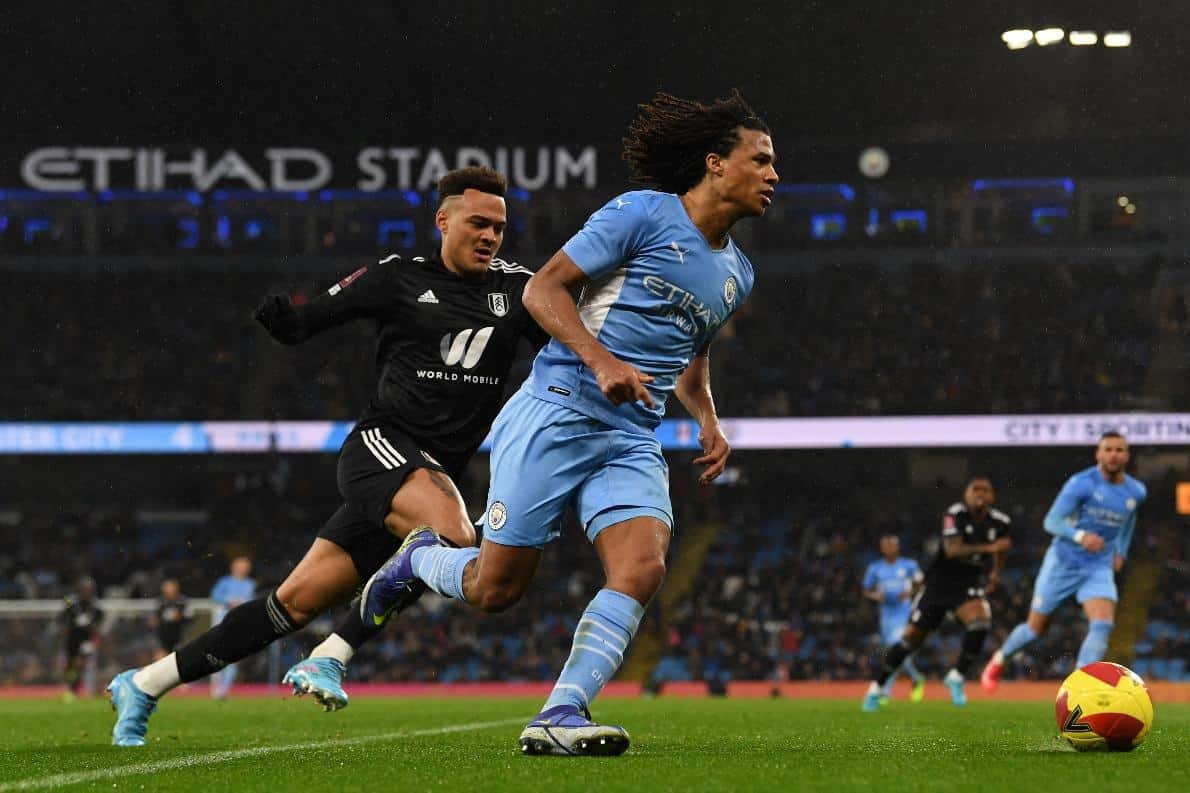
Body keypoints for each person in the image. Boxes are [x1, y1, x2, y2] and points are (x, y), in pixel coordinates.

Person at [362, 89, 777, 756]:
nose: (773, 174)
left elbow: (691, 353)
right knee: (496, 589)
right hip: (558, 409)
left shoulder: (738, 273)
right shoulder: (642, 213)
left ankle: (561, 711)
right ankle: (420, 558)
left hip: (631, 436)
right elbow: (541, 288)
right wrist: (601, 359)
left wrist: (708, 416)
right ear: (715, 163)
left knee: (642, 567)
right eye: (760, 159)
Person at [107, 166, 548, 746]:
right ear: (443, 220)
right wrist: (287, 323)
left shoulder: (521, 290)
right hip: (381, 449)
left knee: (290, 606)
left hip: (428, 475)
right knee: (453, 535)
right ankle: (332, 656)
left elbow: (568, 345)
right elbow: (310, 320)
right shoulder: (398, 276)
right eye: (477, 223)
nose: (490, 236)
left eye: (499, 227)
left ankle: (143, 683)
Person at [981, 432, 1146, 691]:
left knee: (1103, 623)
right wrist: (1080, 536)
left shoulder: (1136, 491)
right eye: (1108, 449)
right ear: (1098, 454)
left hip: (1098, 566)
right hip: (1063, 563)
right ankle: (999, 660)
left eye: (1119, 450)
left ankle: (1080, 686)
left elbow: (1129, 519)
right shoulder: (1081, 484)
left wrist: (1121, 552)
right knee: (1035, 629)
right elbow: (1051, 521)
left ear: (1127, 455)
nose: (1113, 455)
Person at [862, 476, 1010, 711]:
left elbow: (1002, 549)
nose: (980, 494)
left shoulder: (1001, 521)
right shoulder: (955, 514)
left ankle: (957, 676)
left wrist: (995, 574)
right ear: (966, 495)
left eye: (985, 490)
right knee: (910, 641)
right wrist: (989, 548)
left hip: (968, 583)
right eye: (975, 489)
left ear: (993, 496)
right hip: (939, 583)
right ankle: (876, 688)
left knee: (981, 621)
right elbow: (952, 550)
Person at [861, 535, 925, 705]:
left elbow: (921, 582)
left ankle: (885, 691)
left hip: (904, 613)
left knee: (896, 649)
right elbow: (866, 590)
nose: (890, 548)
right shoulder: (875, 568)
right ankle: (916, 678)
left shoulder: (909, 565)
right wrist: (876, 596)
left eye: (893, 545)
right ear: (882, 548)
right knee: (890, 653)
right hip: (886, 615)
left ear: (898, 547)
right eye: (887, 545)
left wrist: (910, 593)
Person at [208, 557, 256, 698]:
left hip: (241, 623)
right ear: (233, 567)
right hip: (223, 622)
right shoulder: (225, 582)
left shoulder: (250, 584)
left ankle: (224, 689)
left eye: (246, 566)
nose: (244, 568)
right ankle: (216, 686)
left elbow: (252, 601)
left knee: (234, 657)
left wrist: (243, 603)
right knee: (217, 654)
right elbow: (214, 595)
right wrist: (228, 600)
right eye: (241, 565)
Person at [60, 576, 103, 700]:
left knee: (81, 663)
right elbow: (63, 617)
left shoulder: (94, 606)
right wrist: (71, 624)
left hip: (86, 640)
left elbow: (100, 619)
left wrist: (91, 624)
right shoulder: (72, 604)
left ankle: (77, 688)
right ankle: (71, 687)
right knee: (70, 666)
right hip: (72, 639)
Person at [150, 578, 190, 660]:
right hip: (163, 638)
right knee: (160, 658)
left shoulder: (182, 601)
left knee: (178, 659)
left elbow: (188, 618)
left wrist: (179, 616)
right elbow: (155, 620)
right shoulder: (161, 602)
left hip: (179, 637)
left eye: (170, 588)